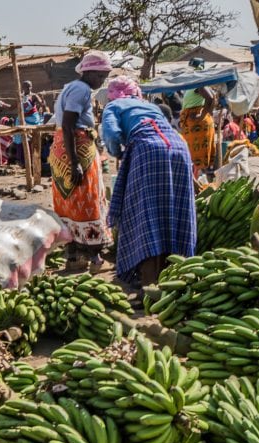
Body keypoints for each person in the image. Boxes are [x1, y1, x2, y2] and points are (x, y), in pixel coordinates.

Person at [101, 76, 196, 289]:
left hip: (148, 150)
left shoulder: (113, 106)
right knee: (172, 214)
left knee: (145, 215)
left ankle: (149, 286)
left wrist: (118, 152)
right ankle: (172, 280)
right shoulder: (148, 105)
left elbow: (111, 134)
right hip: (179, 149)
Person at [48, 51, 112, 271]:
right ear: (89, 72)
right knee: (89, 200)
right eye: (100, 75)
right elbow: (68, 124)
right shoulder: (81, 89)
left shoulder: (70, 87)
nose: (102, 80)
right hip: (76, 148)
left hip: (65, 148)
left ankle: (74, 257)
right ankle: (95, 259)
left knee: (70, 203)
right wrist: (75, 161)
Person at [179, 85, 216, 177]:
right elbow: (213, 98)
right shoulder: (194, 85)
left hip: (197, 124)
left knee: (195, 154)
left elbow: (211, 98)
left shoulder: (199, 84)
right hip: (195, 122)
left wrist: (202, 115)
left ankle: (197, 180)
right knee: (194, 153)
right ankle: (198, 179)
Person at [13, 80, 47, 166]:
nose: (27, 88)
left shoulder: (34, 96)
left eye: (29, 86)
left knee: (33, 139)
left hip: (32, 120)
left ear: (31, 87)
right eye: (25, 86)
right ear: (22, 88)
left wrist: (43, 100)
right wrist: (0, 103)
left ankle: (34, 159)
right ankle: (23, 160)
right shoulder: (20, 97)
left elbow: (42, 105)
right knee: (20, 137)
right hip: (22, 120)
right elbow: (11, 107)